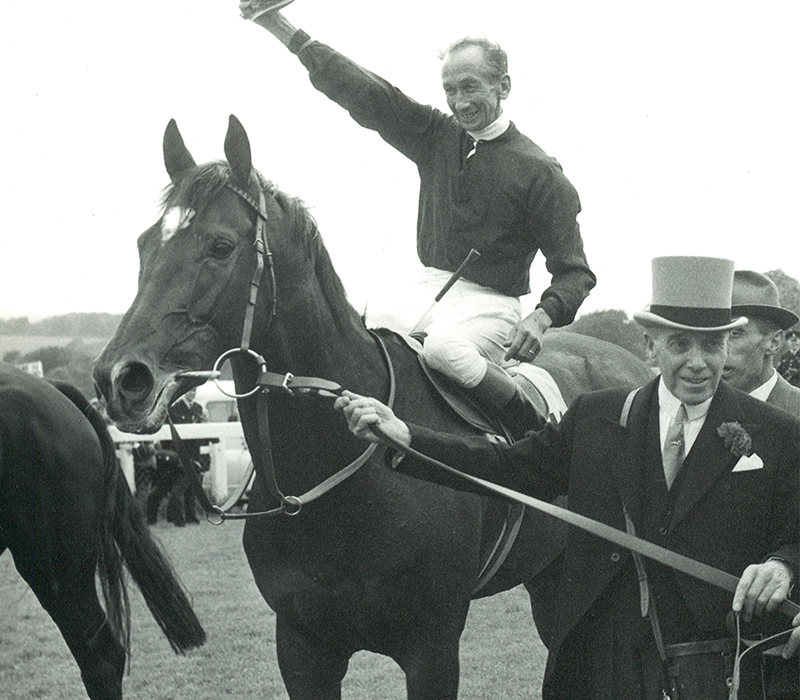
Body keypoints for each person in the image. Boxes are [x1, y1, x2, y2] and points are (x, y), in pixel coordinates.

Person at [336, 256, 799, 700]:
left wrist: (782, 565)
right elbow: (508, 467)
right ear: (650, 346)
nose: (698, 362)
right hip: (604, 662)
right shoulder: (595, 417)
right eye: (681, 344)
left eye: (711, 345)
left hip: (715, 665)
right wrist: (408, 438)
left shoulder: (778, 434)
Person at [239, 0, 596, 435]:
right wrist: (279, 26)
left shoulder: (541, 172)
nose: (460, 103)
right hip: (427, 288)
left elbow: (575, 273)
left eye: (470, 87)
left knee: (445, 351)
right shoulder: (437, 136)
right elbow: (368, 93)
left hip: (490, 304)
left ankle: (529, 430)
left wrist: (540, 318)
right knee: (364, 339)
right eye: (450, 90)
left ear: (502, 85)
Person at [724, 271, 800, 699]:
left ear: (773, 342)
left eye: (733, 335)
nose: (717, 351)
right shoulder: (686, 423)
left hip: (781, 660)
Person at [725, 270, 800, 413]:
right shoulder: (699, 409)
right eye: (714, 336)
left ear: (774, 343)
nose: (720, 348)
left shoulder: (796, 411)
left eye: (734, 333)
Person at [146, 389, 208, 526]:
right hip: (178, 455)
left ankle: (191, 516)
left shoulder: (198, 408)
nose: (192, 393)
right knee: (176, 488)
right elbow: (169, 435)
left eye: (195, 391)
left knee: (191, 488)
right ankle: (174, 518)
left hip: (194, 453)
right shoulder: (175, 409)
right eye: (190, 390)